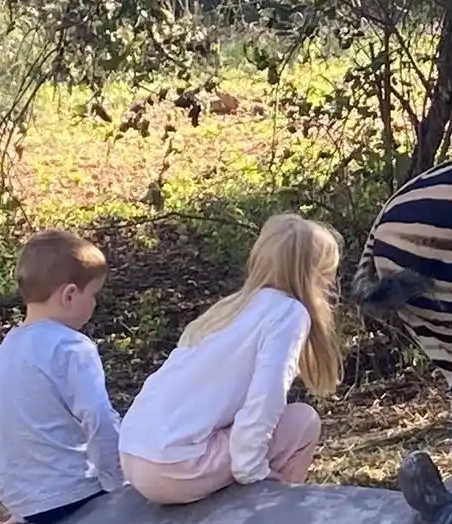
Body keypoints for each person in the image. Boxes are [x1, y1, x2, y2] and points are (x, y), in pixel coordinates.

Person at [118, 212, 344, 505]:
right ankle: (272, 512)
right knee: (303, 421)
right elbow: (267, 397)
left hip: (133, 453)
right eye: (328, 274)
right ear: (314, 276)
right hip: (174, 467)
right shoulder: (288, 313)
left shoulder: (230, 308)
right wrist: (252, 470)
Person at [0, 229, 125, 524]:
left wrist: (27, 506)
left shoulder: (8, 347)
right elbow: (98, 418)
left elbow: (8, 425)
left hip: (28, 501)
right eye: (94, 294)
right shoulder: (72, 347)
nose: (94, 304)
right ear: (70, 295)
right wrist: (120, 483)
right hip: (74, 493)